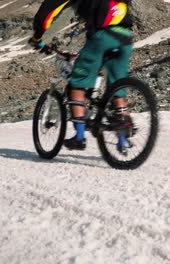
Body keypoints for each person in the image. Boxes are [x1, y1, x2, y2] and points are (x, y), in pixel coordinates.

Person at [28, 0, 134, 153]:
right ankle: (123, 136)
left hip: (102, 35)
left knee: (77, 84)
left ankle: (79, 138)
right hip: (126, 37)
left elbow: (48, 12)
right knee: (117, 87)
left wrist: (37, 38)